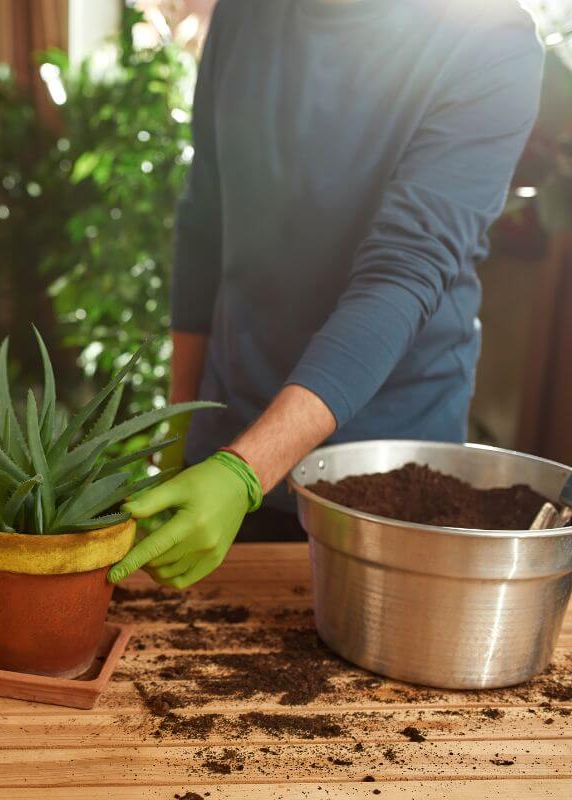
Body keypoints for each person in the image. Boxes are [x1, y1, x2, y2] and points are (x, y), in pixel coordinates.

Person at [109, 0, 544, 588]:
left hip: (382, 476)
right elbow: (204, 225)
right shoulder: (242, 15)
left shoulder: (489, 37)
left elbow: (405, 272)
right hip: (228, 445)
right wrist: (183, 432)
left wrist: (246, 471)